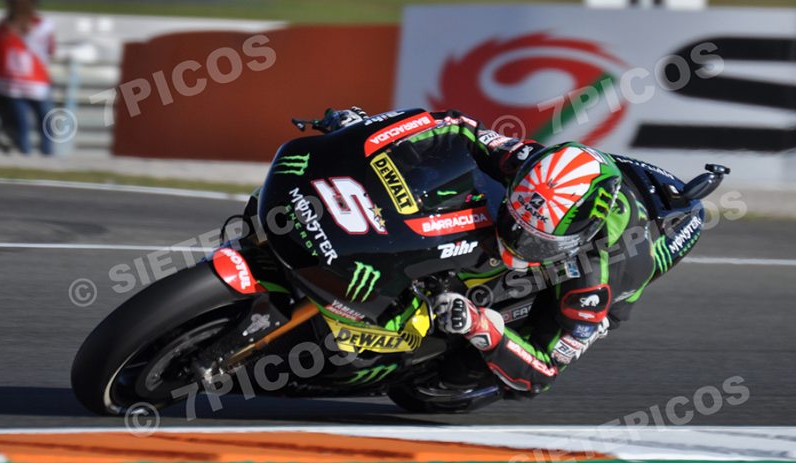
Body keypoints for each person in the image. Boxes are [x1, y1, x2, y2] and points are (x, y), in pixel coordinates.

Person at [263, 107, 702, 399]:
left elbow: (545, 372)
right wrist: (367, 127)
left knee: (458, 371)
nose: (519, 240)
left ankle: (444, 361)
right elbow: (454, 125)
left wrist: (482, 329)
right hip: (552, 198)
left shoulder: (598, 279)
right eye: (517, 223)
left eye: (536, 241)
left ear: (576, 236)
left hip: (589, 284)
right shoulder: (525, 163)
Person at [0, 0, 55, 155]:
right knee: (27, 123)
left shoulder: (41, 26)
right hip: (17, 86)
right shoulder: (4, 28)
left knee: (40, 123)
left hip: (32, 84)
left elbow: (50, 49)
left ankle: (39, 155)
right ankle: (29, 156)